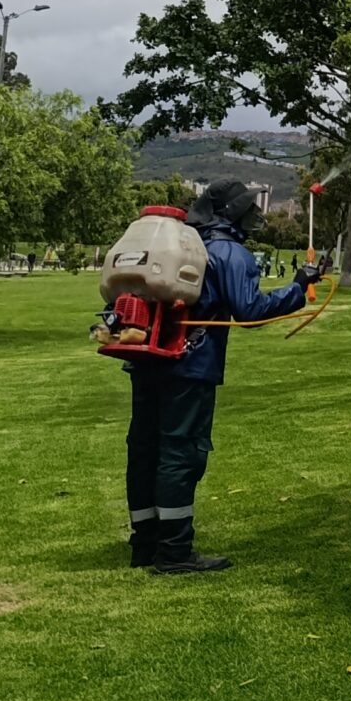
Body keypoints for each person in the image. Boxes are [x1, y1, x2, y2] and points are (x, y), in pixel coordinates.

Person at [123, 180, 321, 574]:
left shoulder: (183, 244)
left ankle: (145, 543)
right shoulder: (230, 253)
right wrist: (298, 286)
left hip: (147, 361)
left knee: (146, 449)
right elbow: (249, 310)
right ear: (231, 213)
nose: (256, 216)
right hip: (191, 368)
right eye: (249, 209)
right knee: (181, 453)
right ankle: (175, 552)